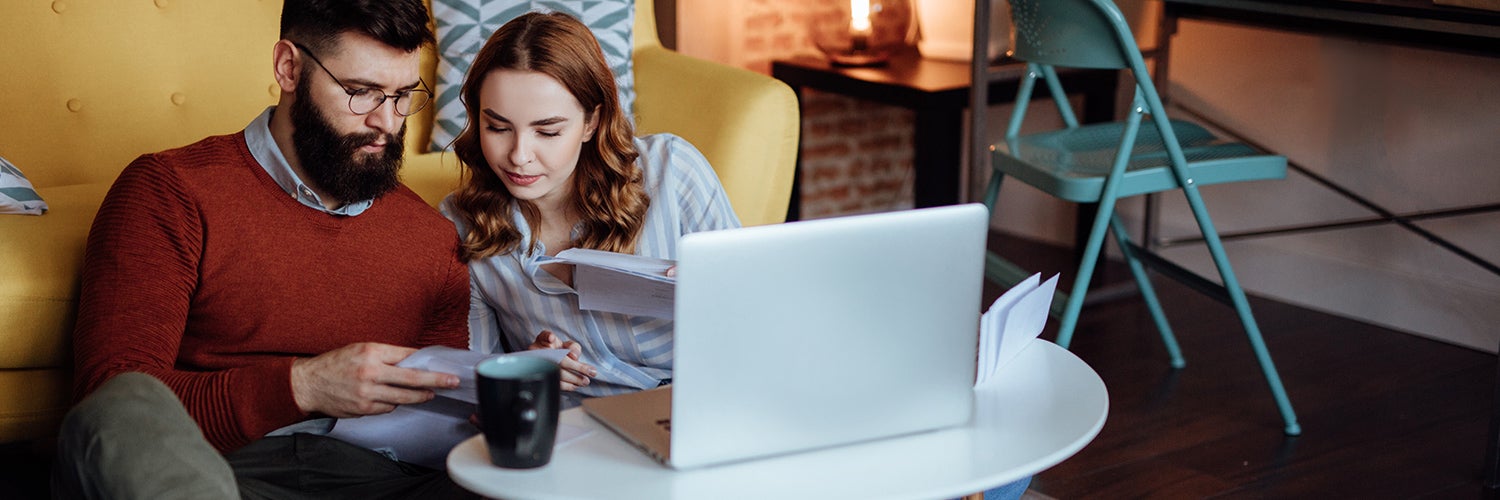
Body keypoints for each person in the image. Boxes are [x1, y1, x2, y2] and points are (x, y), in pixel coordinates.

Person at [51, 0, 478, 498]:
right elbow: (113, 405)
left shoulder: (431, 234)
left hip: (385, 477)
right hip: (218, 473)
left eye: (404, 95)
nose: (388, 122)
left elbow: (447, 405)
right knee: (121, 406)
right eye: (362, 93)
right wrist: (303, 386)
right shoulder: (170, 190)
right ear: (289, 67)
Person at [440, 11, 740, 403]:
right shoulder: (463, 225)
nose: (519, 156)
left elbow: (764, 313)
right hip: (578, 436)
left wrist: (724, 288)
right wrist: (523, 373)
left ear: (591, 122)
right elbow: (478, 390)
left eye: (547, 131)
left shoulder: (673, 171)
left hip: (706, 403)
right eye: (497, 127)